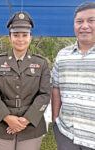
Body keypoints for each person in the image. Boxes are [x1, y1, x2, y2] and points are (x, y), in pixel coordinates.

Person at [0, 11, 51, 150]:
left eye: (24, 35)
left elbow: (45, 95)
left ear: (30, 37)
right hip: (1, 125)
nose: (20, 39)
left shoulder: (41, 63)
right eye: (16, 35)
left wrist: (26, 120)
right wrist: (7, 118)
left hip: (31, 126)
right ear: (9, 38)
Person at [52, 1, 95, 150]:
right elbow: (56, 88)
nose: (84, 26)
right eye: (79, 21)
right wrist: (55, 119)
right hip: (66, 134)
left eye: (91, 20)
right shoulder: (62, 55)